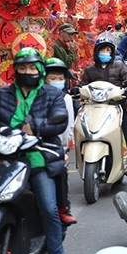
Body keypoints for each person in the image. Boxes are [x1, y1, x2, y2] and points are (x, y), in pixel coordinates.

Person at [0, 48, 68, 254]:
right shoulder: (1, 94)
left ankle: (57, 252)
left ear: (40, 69)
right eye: (22, 67)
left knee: (48, 208)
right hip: (3, 159)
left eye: (32, 68)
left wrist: (37, 126)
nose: (27, 72)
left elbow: (60, 121)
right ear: (15, 70)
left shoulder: (53, 94)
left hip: (38, 159)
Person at [81, 34, 127, 164]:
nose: (105, 53)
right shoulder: (90, 70)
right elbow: (82, 85)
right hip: (94, 108)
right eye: (102, 50)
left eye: (108, 50)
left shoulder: (119, 66)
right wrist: (77, 90)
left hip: (117, 107)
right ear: (97, 52)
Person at [44, 58, 78, 226]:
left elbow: (67, 126)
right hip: (29, 146)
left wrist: (63, 149)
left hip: (55, 147)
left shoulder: (65, 99)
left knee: (60, 173)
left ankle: (63, 208)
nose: (56, 82)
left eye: (60, 78)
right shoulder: (33, 95)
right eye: (53, 78)